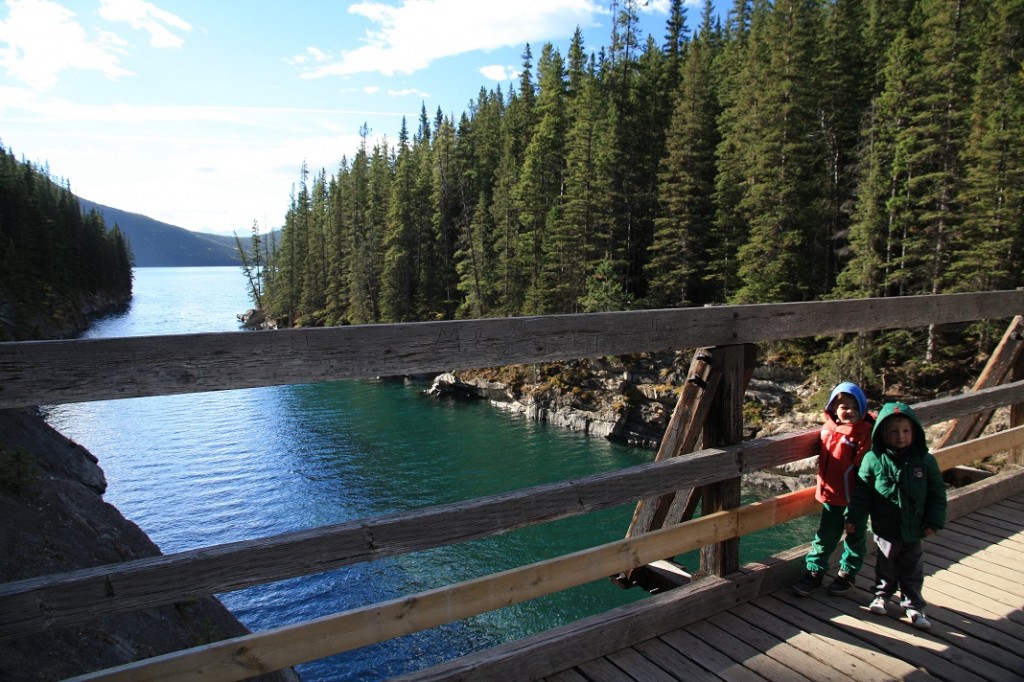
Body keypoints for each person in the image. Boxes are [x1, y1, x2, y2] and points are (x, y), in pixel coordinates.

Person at [845, 401, 947, 630]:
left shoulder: (925, 461)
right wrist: (852, 518)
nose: (900, 436)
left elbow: (937, 494)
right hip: (885, 526)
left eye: (906, 431)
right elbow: (862, 494)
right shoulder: (873, 459)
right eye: (893, 431)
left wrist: (934, 520)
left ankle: (913, 604)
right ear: (882, 433)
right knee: (886, 563)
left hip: (915, 526)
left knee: (912, 566)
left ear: (915, 432)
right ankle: (882, 594)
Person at [793, 382, 873, 597]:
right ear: (833, 408)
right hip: (831, 496)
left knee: (854, 536)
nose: (849, 411)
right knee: (825, 537)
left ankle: (847, 573)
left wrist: (861, 498)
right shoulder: (827, 428)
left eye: (855, 407)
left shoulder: (864, 433)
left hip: (854, 499)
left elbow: (865, 469)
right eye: (844, 406)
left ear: (863, 408)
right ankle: (814, 572)